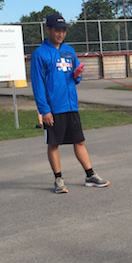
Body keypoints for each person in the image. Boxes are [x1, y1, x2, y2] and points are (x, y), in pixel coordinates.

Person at [30, 13, 109, 194]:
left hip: (71, 105)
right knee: (54, 144)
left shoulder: (69, 51)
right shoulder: (39, 54)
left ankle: (90, 175)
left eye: (64, 30)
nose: (61, 34)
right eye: (57, 30)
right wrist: (44, 110)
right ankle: (58, 179)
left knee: (79, 141)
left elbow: (75, 76)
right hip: (53, 108)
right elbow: (38, 85)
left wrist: (78, 75)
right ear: (48, 30)